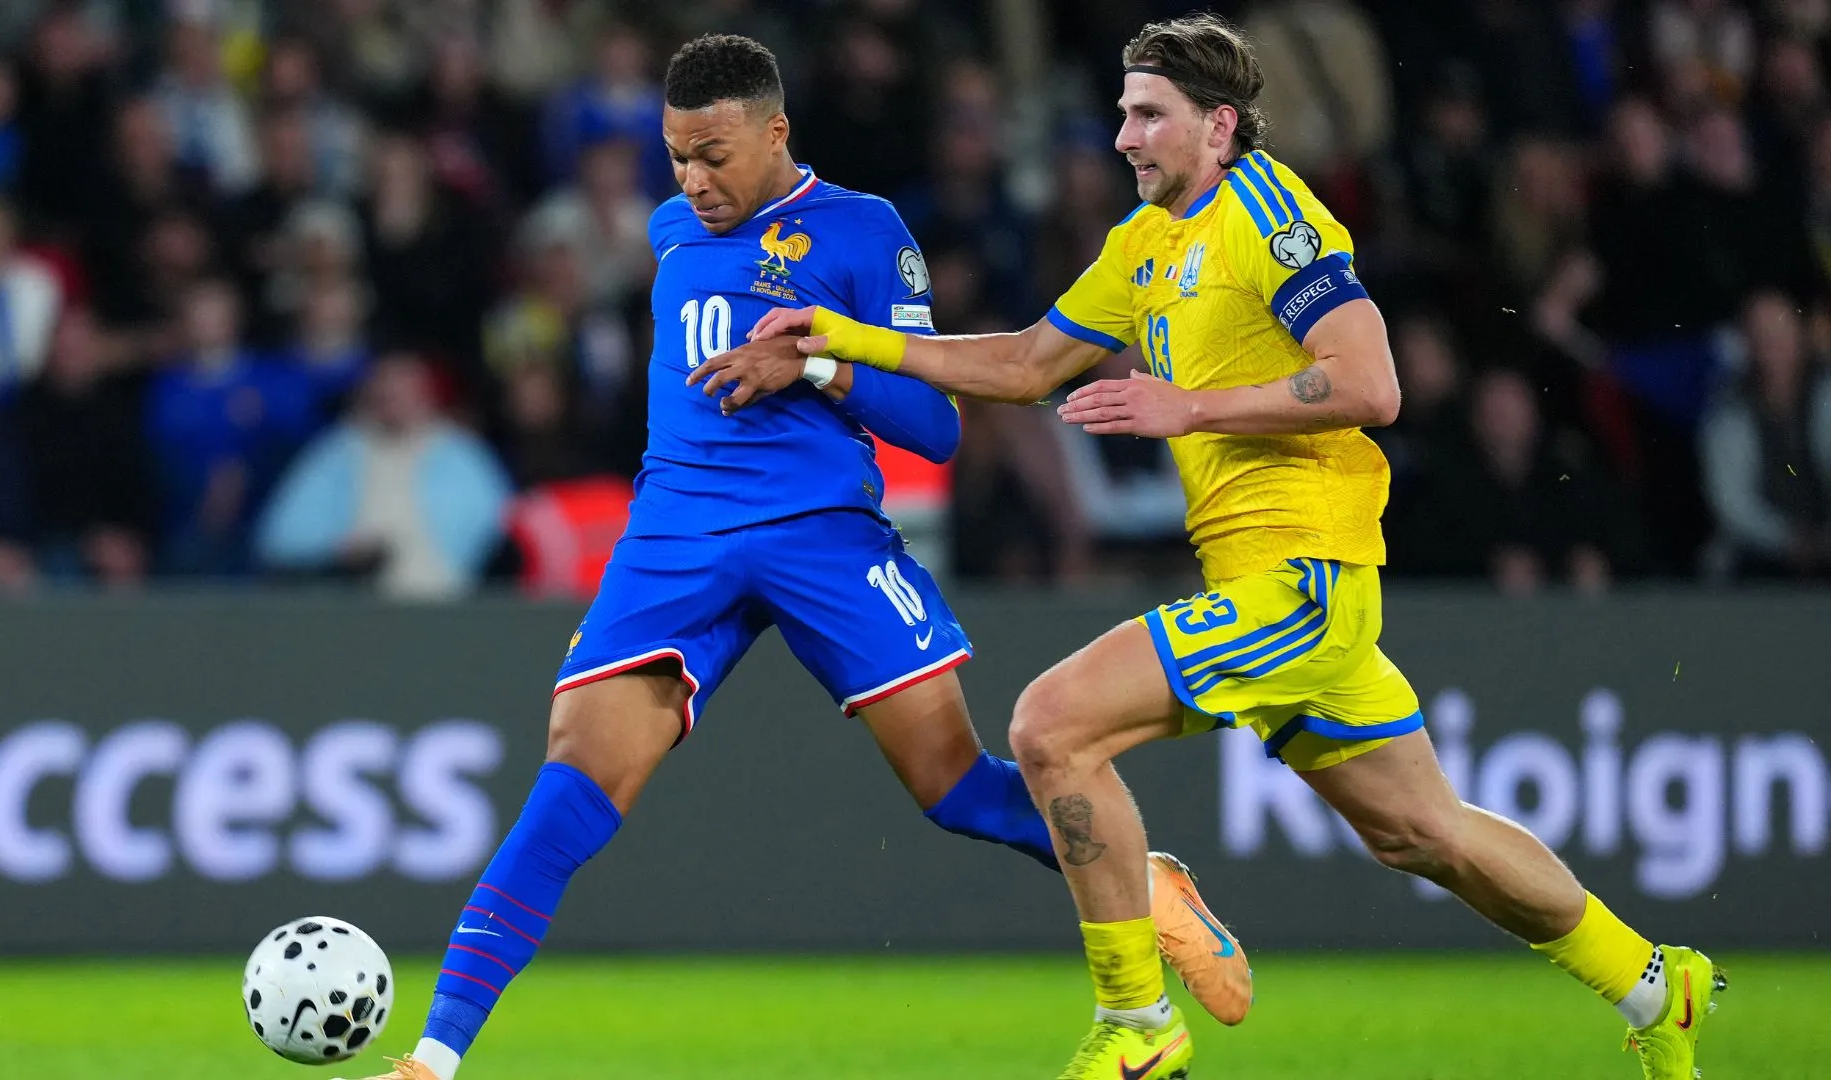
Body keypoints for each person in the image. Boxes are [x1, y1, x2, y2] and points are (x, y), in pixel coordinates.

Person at [698, 15, 1721, 1080]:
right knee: (1427, 835)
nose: (1123, 137)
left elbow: (1372, 382)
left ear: (1219, 125)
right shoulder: (1144, 243)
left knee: (1050, 726)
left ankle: (1137, 1025)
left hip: (1307, 576)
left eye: (1149, 115)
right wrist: (843, 344)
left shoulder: (1269, 218)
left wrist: (1192, 407)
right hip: (1267, 583)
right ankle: (1657, 982)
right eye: (1123, 112)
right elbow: (1026, 362)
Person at [339, 34, 1247, 1080]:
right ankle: (434, 1057)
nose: (694, 179)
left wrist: (816, 363)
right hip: (676, 535)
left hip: (823, 534)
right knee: (569, 786)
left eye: (715, 153)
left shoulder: (865, 232)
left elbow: (939, 429)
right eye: (677, 154)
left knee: (953, 790)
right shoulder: (673, 231)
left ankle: (1145, 881)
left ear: (776, 132)